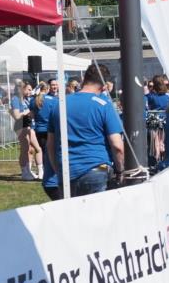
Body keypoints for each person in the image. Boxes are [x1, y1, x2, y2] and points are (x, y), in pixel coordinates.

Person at [45, 63, 125, 197]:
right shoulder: (104, 105)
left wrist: (58, 171)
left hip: (67, 173)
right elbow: (117, 145)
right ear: (104, 86)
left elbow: (50, 145)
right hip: (96, 169)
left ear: (84, 80)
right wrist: (120, 170)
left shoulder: (59, 104)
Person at [10, 81, 42, 181]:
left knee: (36, 148)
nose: (30, 91)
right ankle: (25, 172)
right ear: (22, 89)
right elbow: (16, 115)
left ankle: (38, 171)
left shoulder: (24, 99)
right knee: (25, 150)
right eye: (27, 89)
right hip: (20, 126)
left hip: (27, 125)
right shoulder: (15, 99)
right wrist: (28, 111)